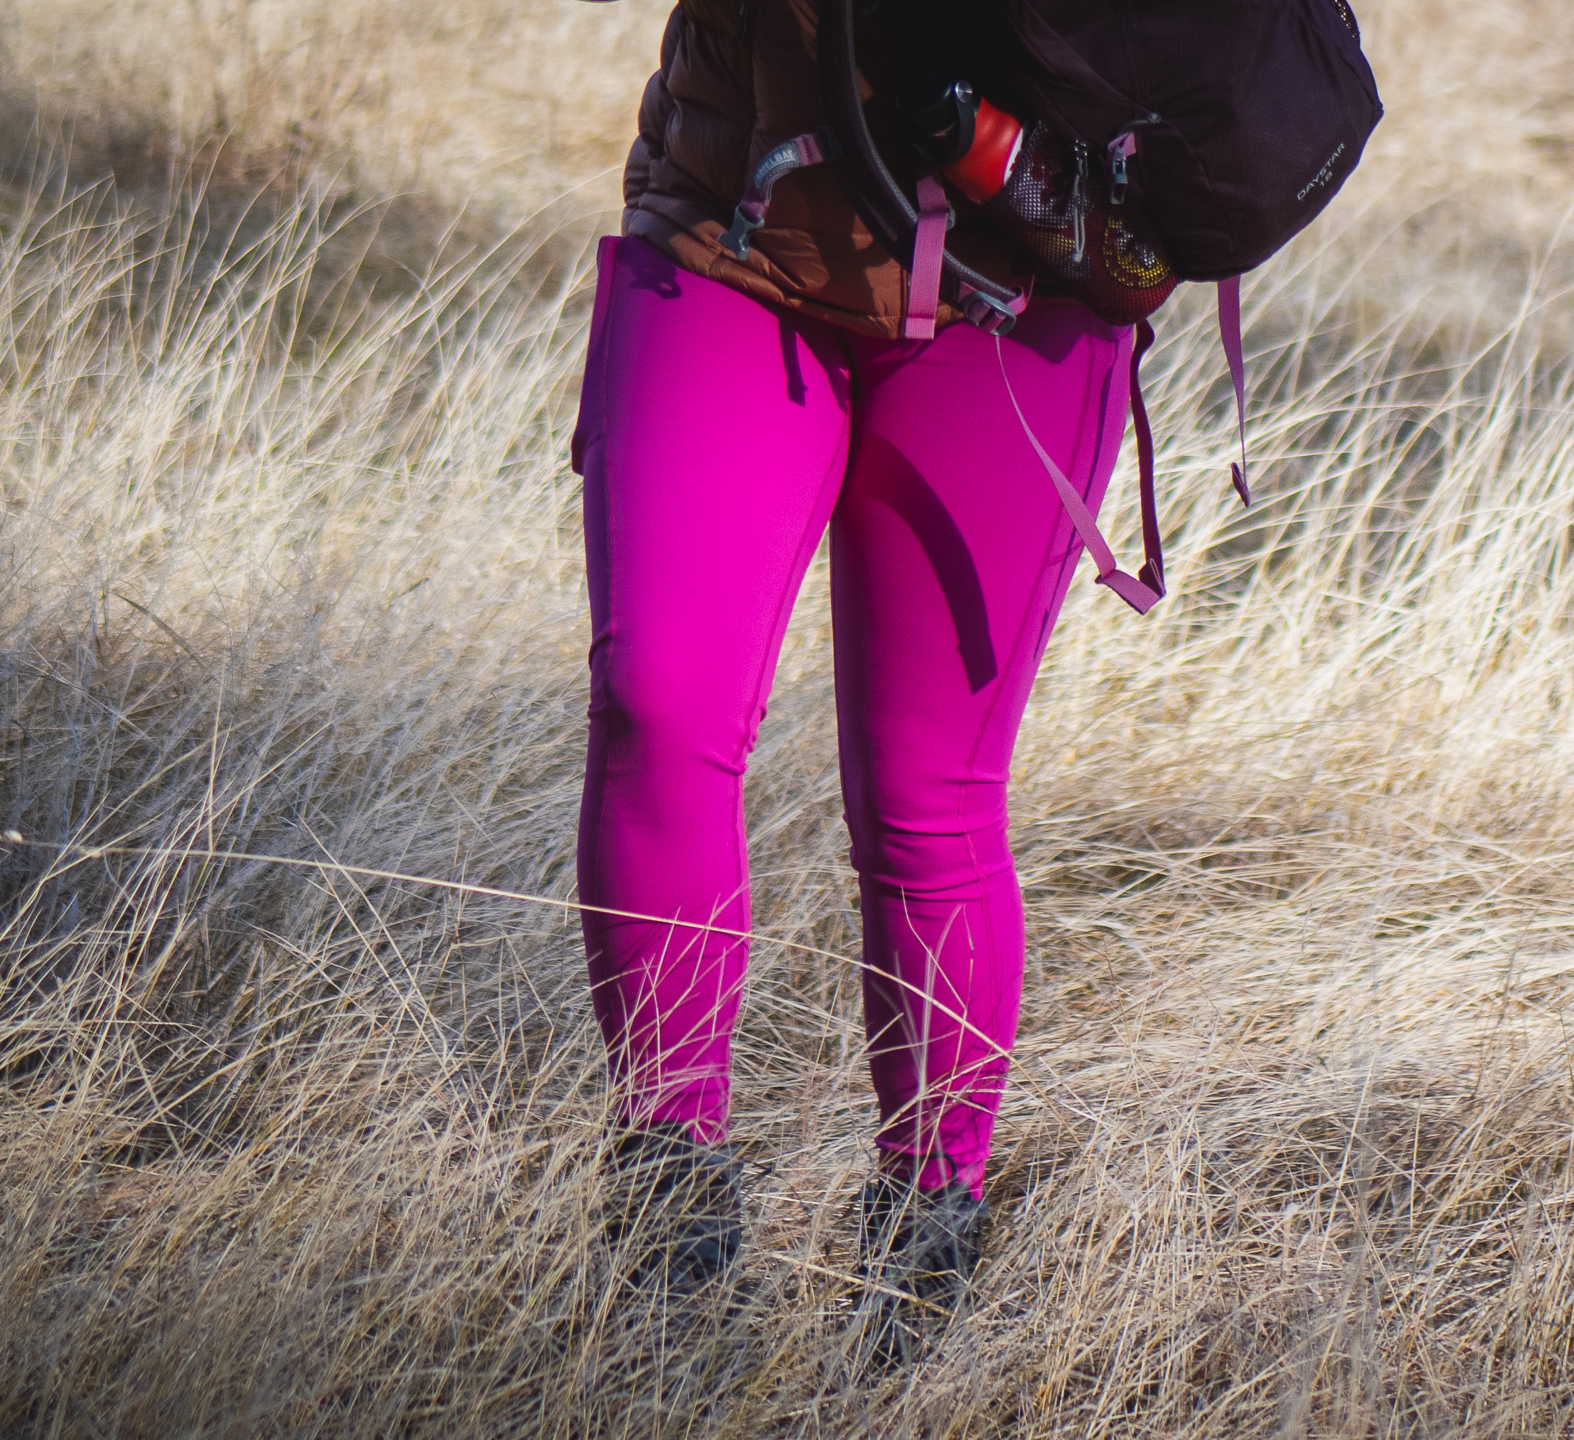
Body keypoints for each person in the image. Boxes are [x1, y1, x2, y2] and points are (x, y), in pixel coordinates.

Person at [569, 0, 1137, 1337]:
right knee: (656, 703)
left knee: (928, 793)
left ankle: (925, 1254)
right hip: (736, 229)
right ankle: (671, 1224)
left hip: (1028, 272)